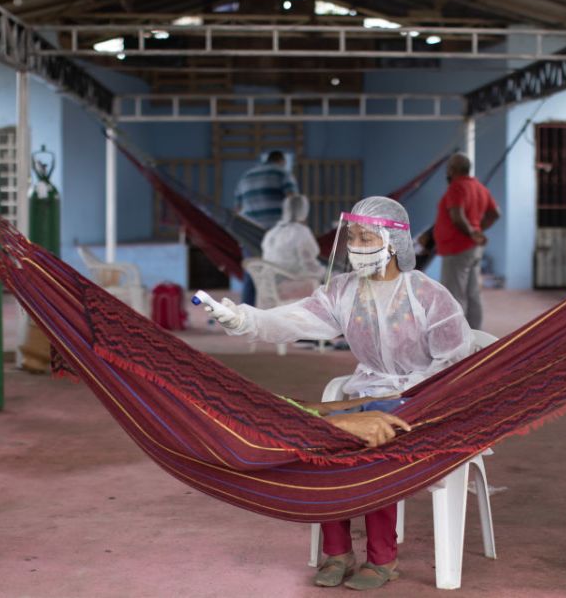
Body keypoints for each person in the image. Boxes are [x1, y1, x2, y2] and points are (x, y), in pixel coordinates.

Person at [203, 196, 473, 590]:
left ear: (395, 242)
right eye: (353, 238)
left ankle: (383, 559)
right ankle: (338, 552)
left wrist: (406, 398)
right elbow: (294, 319)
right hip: (367, 389)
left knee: (373, 446)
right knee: (324, 440)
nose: (356, 246)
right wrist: (245, 318)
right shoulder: (344, 291)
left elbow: (456, 361)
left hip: (424, 399)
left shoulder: (429, 297)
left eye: (367, 237)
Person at [433, 153, 500, 330]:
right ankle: (474, 335)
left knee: (454, 295)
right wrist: (478, 231)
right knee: (472, 294)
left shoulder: (457, 187)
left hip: (457, 248)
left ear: (453, 170)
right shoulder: (479, 187)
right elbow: (495, 213)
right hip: (472, 249)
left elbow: (457, 216)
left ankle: (456, 337)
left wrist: (472, 232)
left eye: (448, 168)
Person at [234, 150, 299, 305]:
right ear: (281, 161)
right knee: (280, 274)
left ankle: (246, 316)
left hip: (249, 234)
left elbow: (237, 210)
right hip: (276, 235)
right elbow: (294, 202)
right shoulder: (283, 174)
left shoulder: (245, 177)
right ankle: (277, 316)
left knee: (252, 274)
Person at [261, 194, 325, 282]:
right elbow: (310, 265)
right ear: (304, 211)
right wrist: (329, 273)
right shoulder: (301, 232)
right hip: (292, 285)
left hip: (269, 285)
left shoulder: (272, 233)